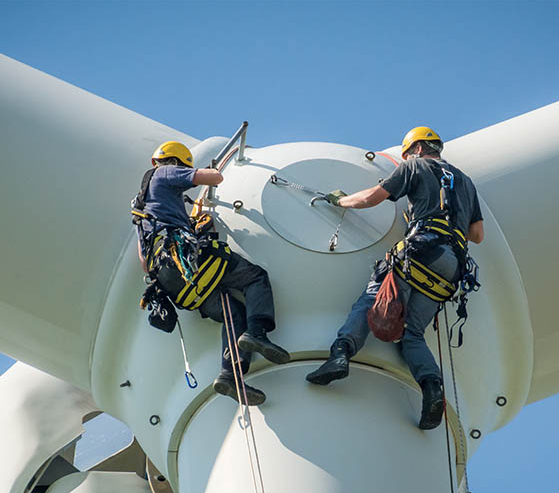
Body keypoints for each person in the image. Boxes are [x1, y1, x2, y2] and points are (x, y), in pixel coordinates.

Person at [306, 127, 484, 430]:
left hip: (420, 250)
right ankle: (432, 387)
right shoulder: (465, 182)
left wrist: (340, 202)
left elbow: (372, 198)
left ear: (414, 149)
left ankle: (340, 354)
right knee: (412, 333)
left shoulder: (414, 167)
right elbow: (477, 235)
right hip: (451, 267)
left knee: (372, 299)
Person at [135, 141, 290, 405]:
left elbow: (143, 261)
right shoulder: (165, 173)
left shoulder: (141, 207)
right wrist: (207, 173)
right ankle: (258, 332)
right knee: (255, 277)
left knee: (232, 311)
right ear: (176, 162)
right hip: (187, 259)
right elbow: (213, 177)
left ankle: (230, 376)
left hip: (171, 279)